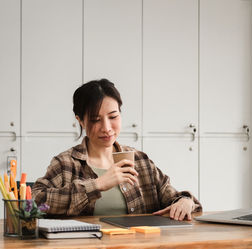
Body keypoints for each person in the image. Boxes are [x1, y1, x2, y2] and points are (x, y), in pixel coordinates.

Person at [32, 79, 201, 220]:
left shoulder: (140, 160)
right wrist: (97, 185)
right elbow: (33, 202)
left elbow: (174, 197)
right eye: (95, 119)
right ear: (80, 121)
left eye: (113, 117)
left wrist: (185, 201)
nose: (106, 128)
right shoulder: (65, 164)